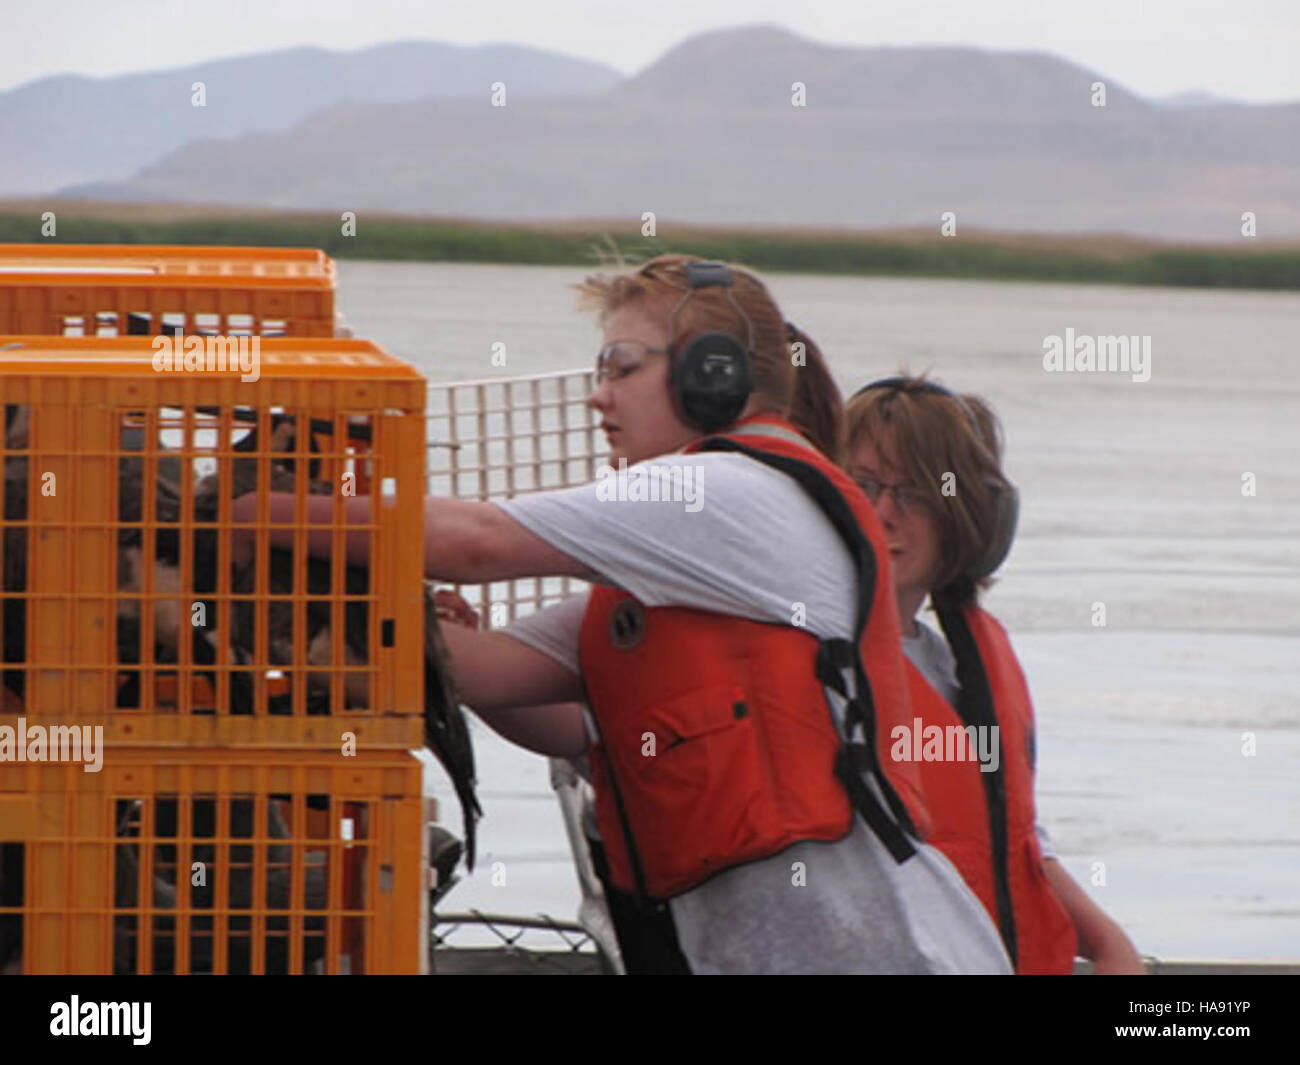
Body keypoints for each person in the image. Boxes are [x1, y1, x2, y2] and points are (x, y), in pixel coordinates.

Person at [238, 255, 1011, 974]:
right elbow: (490, 673)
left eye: (621, 367)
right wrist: (362, 608)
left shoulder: (728, 492)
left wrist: (245, 511)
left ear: (714, 375)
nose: (597, 393)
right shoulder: (679, 577)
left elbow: (477, 542)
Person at [844, 374, 1145, 975]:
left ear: (970, 517)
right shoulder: (820, 665)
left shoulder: (963, 667)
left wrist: (1110, 945)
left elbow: (1012, 838)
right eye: (864, 486)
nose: (883, 512)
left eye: (915, 493)